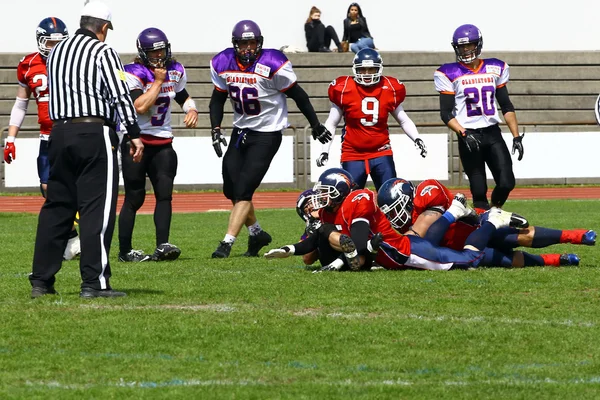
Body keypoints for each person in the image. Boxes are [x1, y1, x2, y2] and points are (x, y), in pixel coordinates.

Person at [29, 1, 144, 299]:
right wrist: (134, 134)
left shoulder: (56, 53)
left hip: (59, 133)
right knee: (97, 210)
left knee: (57, 208)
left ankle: (41, 281)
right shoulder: (103, 52)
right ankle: (94, 283)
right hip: (93, 132)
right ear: (103, 28)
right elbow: (120, 96)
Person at [209, 19, 332, 259]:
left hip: (267, 134)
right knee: (231, 188)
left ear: (259, 43)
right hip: (240, 131)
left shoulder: (273, 62)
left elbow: (299, 95)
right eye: (243, 44)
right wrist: (215, 128)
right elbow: (217, 99)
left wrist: (315, 125)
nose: (247, 48)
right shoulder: (223, 62)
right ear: (235, 45)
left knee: (244, 190)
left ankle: (226, 243)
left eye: (252, 42)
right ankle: (256, 233)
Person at [264, 168, 528, 272]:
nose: (320, 199)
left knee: (471, 261)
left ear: (342, 191)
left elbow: (357, 243)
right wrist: (289, 249)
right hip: (390, 253)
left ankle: (491, 219)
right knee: (328, 232)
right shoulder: (327, 215)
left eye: (325, 193)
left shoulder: (359, 200)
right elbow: (321, 241)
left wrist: (346, 260)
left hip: (407, 250)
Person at [376, 177, 595, 267]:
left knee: (520, 237)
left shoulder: (427, 192)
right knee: (508, 261)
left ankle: (576, 236)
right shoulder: (403, 227)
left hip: (476, 226)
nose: (394, 217)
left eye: (395, 209)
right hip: (460, 248)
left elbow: (431, 236)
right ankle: (558, 260)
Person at [118, 27, 198, 263]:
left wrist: (190, 108)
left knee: (165, 195)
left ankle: (162, 245)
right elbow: (139, 106)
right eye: (153, 53)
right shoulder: (132, 72)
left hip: (163, 141)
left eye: (161, 51)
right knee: (134, 197)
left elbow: (182, 94)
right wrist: (158, 82)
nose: (158, 56)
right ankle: (125, 251)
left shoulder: (175, 69)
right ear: (142, 54)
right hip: (137, 141)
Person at [5, 17, 81, 261]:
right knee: (48, 188)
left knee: (80, 188)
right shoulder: (27, 64)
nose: (55, 48)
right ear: (40, 41)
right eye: (50, 43)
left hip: (73, 131)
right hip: (47, 135)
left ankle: (86, 239)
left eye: (60, 43)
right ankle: (71, 237)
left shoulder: (75, 60)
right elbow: (21, 103)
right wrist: (11, 138)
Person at [434, 24, 524, 211]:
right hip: (468, 135)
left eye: (470, 45)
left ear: (478, 44)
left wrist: (516, 136)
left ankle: (494, 211)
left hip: (492, 133)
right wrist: (464, 133)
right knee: (478, 190)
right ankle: (483, 227)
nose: (466, 50)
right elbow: (446, 113)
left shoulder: (495, 67)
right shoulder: (448, 72)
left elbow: (506, 105)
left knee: (507, 182)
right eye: (462, 46)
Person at [317, 48, 427, 191]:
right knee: (352, 200)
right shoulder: (343, 88)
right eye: (363, 69)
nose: (367, 74)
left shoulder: (390, 88)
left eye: (371, 69)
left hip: (381, 151)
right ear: (355, 69)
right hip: (352, 152)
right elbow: (332, 123)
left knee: (390, 196)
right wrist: (325, 150)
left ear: (379, 69)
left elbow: (404, 120)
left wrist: (416, 138)